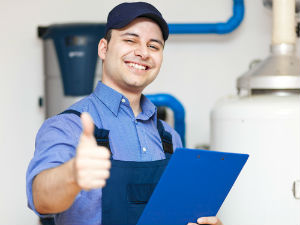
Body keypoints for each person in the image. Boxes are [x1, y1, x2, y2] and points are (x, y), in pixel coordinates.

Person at [26, 2, 223, 225]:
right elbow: (40, 198)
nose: (142, 52)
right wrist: (72, 174)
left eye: (154, 46)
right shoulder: (68, 126)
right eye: (130, 40)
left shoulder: (169, 137)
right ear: (103, 48)